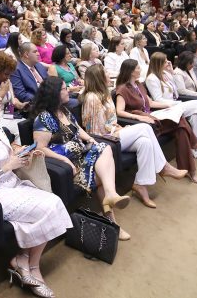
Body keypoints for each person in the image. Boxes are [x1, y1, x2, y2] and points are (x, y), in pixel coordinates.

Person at [0, 80, 72, 297]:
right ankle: (31, 266)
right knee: (50, 206)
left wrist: (23, 153)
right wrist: (7, 167)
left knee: (53, 202)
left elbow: (7, 155)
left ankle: (25, 260)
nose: (0, 98)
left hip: (10, 184)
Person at [31, 77, 132, 233]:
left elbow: (77, 129)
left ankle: (111, 198)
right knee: (103, 177)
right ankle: (112, 218)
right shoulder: (44, 118)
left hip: (81, 155)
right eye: (64, 89)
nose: (68, 90)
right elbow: (40, 148)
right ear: (55, 93)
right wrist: (63, 159)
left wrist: (91, 139)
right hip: (69, 167)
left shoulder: (63, 110)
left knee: (104, 147)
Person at [82, 64, 188, 208]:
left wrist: (118, 127)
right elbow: (94, 131)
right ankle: (164, 167)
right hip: (104, 142)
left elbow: (110, 120)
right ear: (99, 78)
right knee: (145, 127)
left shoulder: (105, 93)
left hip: (114, 133)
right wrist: (115, 130)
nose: (109, 75)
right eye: (106, 73)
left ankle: (140, 184)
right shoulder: (92, 98)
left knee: (145, 142)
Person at [115, 59, 197, 184]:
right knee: (180, 121)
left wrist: (168, 106)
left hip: (151, 116)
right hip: (143, 122)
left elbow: (150, 103)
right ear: (130, 71)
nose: (140, 70)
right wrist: (139, 117)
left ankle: (190, 170)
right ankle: (195, 144)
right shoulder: (123, 89)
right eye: (138, 68)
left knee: (181, 130)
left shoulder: (139, 84)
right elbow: (119, 111)